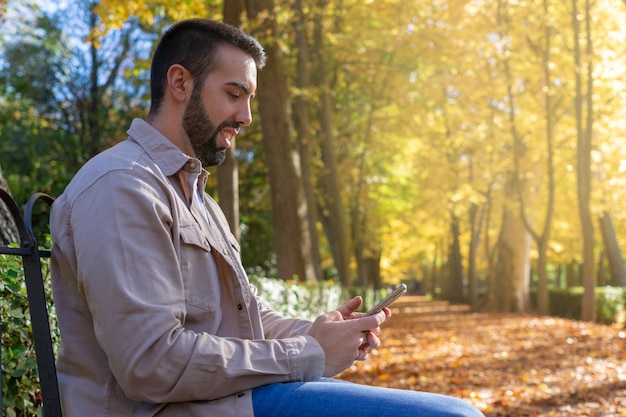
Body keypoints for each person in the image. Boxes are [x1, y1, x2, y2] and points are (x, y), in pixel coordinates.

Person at [50, 18, 484, 417]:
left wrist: (322, 332)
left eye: (249, 99)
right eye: (234, 94)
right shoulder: (121, 186)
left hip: (227, 402)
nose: (246, 117)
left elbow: (249, 317)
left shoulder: (198, 199)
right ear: (180, 82)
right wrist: (308, 352)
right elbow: (149, 364)